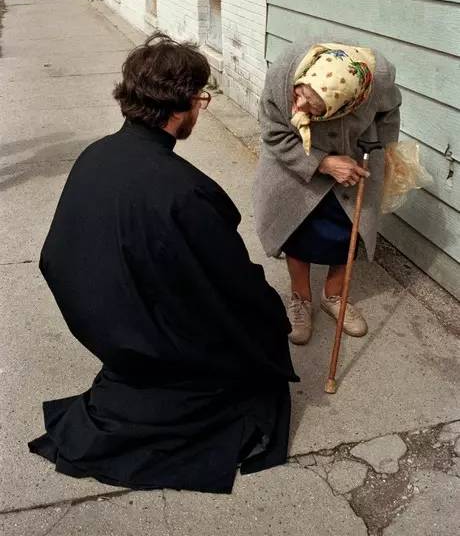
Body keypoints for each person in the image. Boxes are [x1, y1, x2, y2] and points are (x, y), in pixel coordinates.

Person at [29, 32, 298, 494]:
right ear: (181, 106)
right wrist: (273, 319)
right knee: (263, 340)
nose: (201, 108)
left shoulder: (95, 155)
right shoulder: (185, 189)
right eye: (201, 98)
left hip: (105, 330)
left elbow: (54, 256)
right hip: (157, 339)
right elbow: (233, 286)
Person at [254, 38, 401, 345]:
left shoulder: (379, 77)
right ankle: (300, 300)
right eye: (300, 96)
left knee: (348, 231)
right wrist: (322, 162)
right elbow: (273, 131)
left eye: (314, 108)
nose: (299, 108)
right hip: (295, 159)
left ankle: (333, 297)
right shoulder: (284, 71)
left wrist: (384, 149)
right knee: (294, 227)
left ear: (347, 104)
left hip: (354, 160)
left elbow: (389, 112)